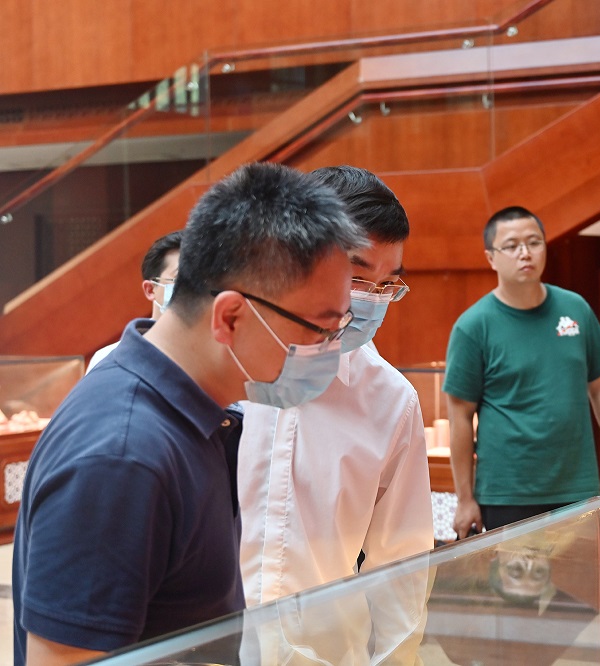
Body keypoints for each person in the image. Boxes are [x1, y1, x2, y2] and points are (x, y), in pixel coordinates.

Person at [12, 162, 367, 666]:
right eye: (321, 328)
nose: (332, 347)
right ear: (231, 316)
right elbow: (66, 659)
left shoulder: (199, 416)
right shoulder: (123, 454)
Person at [239, 165, 434, 602]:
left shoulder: (390, 398)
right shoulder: (220, 369)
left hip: (327, 637)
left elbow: (401, 564)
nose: (369, 300)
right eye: (356, 276)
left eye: (387, 285)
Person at [444, 206, 600, 538]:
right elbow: (460, 416)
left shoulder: (575, 309)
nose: (525, 253)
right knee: (514, 574)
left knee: (580, 573)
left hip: (577, 485)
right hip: (507, 491)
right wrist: (464, 499)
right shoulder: (473, 326)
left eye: (534, 242)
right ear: (491, 258)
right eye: (511, 245)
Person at [87, 230, 183, 372]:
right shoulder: (108, 360)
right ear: (150, 290)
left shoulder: (214, 358)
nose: (192, 288)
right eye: (180, 279)